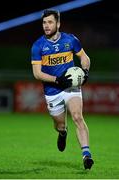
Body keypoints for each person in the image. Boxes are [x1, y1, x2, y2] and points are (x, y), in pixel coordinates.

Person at [31, 9, 94, 170]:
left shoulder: (71, 40)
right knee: (60, 125)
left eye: (50, 22)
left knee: (77, 116)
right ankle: (62, 133)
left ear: (58, 23)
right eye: (44, 22)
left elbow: (84, 58)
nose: (46, 25)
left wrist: (85, 72)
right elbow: (37, 74)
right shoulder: (38, 46)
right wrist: (57, 79)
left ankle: (86, 155)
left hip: (71, 87)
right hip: (52, 91)